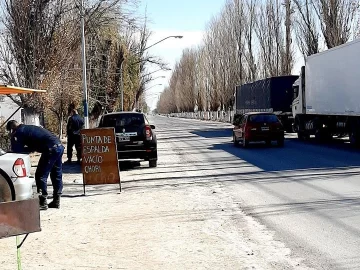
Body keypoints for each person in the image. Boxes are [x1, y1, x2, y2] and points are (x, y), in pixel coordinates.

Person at [6, 120, 64, 210]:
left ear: (11, 130)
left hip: (50, 149)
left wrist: (12, 143)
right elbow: (32, 147)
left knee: (40, 175)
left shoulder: (18, 133)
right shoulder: (28, 128)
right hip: (59, 146)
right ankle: (57, 200)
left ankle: (42, 202)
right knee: (56, 174)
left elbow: (17, 151)